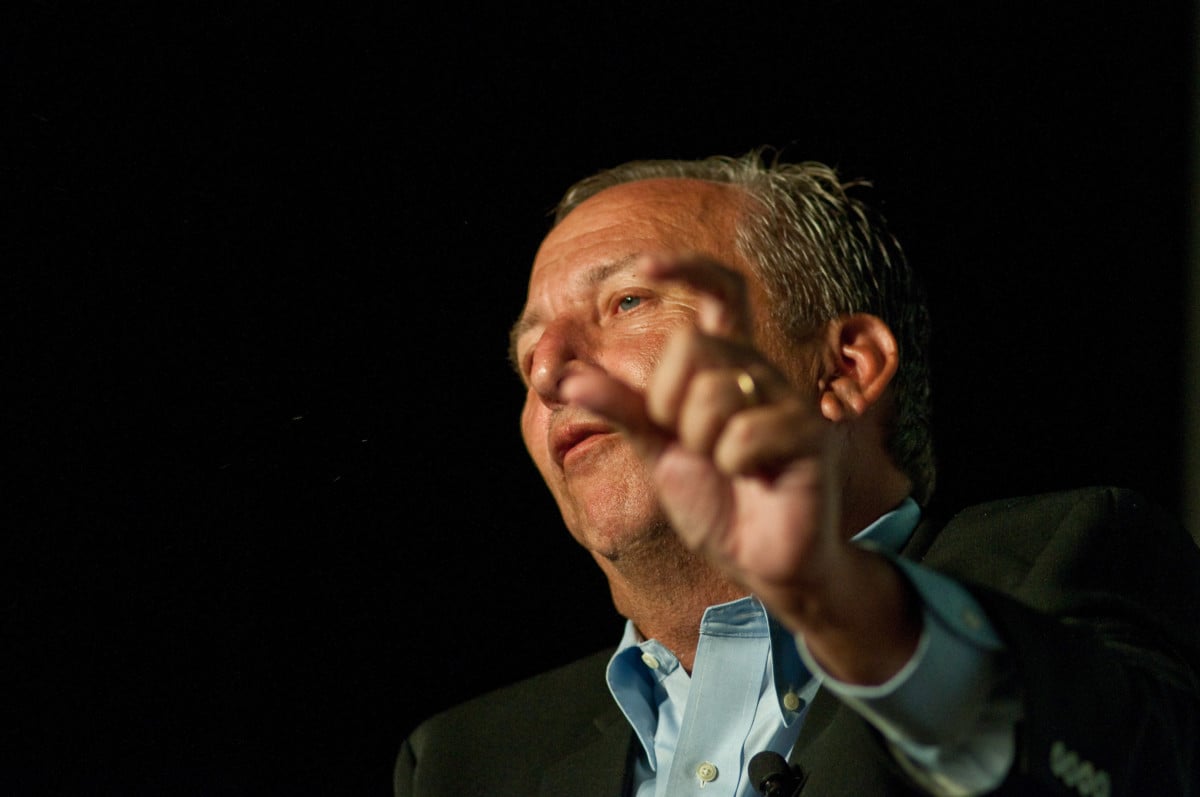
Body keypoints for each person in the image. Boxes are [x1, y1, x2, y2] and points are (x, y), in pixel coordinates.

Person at [393, 150, 1200, 796]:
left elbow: (1127, 767)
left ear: (845, 370)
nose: (551, 375)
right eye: (528, 354)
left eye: (629, 302)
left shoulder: (1066, 558)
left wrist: (832, 589)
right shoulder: (465, 761)